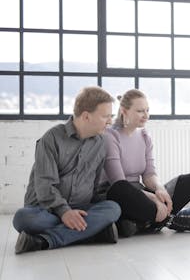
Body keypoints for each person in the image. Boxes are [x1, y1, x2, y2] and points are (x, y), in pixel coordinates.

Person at [12, 86, 122, 254]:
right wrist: (65, 212)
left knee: (113, 208)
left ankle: (44, 241)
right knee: (23, 219)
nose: (110, 121)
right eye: (106, 116)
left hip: (81, 208)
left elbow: (93, 186)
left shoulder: (100, 143)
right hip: (47, 210)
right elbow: (45, 187)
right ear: (86, 116)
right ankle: (90, 233)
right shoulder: (51, 139)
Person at [101, 89, 190, 237]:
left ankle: (140, 224)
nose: (146, 116)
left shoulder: (144, 136)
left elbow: (149, 173)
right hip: (120, 194)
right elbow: (118, 181)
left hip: (141, 192)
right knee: (122, 189)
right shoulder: (110, 136)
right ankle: (171, 221)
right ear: (124, 111)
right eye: (140, 111)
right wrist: (154, 199)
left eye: (147, 110)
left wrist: (159, 189)